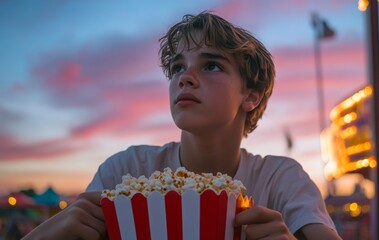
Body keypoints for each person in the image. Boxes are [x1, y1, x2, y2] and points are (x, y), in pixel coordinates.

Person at [23, 11, 340, 239]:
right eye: (177, 67)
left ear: (251, 97)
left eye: (211, 65)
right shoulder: (125, 172)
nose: (185, 77)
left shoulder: (280, 180)